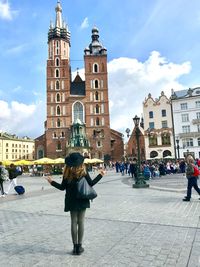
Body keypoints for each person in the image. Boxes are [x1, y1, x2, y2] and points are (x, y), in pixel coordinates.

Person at [45, 152, 105, 255]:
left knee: (73, 221)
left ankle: (74, 247)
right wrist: (101, 175)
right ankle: (79, 247)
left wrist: (52, 182)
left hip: (71, 199)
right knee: (81, 222)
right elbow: (91, 183)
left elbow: (62, 187)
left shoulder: (67, 173)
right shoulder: (83, 172)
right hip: (82, 198)